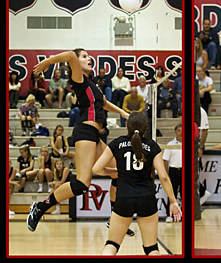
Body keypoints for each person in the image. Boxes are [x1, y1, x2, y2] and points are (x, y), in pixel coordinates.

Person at [27, 48, 129, 232]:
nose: (88, 59)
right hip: (85, 132)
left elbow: (104, 102)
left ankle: (114, 219)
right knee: (82, 184)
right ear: (75, 64)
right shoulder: (79, 78)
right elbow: (71, 56)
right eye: (84, 56)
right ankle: (40, 208)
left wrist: (122, 112)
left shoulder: (92, 84)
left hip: (95, 135)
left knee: (118, 173)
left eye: (89, 57)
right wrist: (48, 62)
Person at [92, 111, 182, 255]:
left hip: (124, 197)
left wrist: (114, 172)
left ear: (127, 126)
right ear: (145, 128)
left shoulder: (117, 143)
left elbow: (96, 168)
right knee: (151, 248)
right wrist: (173, 201)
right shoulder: (152, 146)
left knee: (112, 244)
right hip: (146, 198)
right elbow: (164, 177)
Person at [163, 123, 182, 223]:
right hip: (173, 171)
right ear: (175, 132)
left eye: (182, 130)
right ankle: (169, 215)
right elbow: (165, 160)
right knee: (171, 194)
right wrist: (166, 174)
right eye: (179, 130)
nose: (181, 132)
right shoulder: (170, 145)